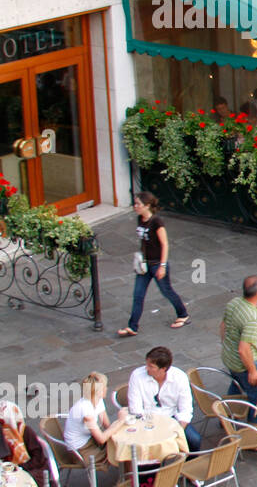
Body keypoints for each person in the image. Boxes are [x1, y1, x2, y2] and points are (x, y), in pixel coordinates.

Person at [119, 192, 190, 338]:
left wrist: (162, 266)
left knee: (167, 291)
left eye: (138, 204)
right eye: (135, 203)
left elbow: (164, 244)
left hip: (157, 264)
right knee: (138, 295)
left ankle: (183, 314)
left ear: (147, 205)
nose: (135, 206)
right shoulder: (140, 219)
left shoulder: (157, 222)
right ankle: (132, 326)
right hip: (144, 265)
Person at [127, 346, 200, 451]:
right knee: (150, 448)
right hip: (147, 419)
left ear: (163, 369)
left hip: (172, 418)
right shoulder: (137, 376)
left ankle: (186, 465)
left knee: (195, 440)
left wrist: (177, 431)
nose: (146, 368)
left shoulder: (179, 377)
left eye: (151, 366)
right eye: (146, 364)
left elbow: (186, 410)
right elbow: (135, 408)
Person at [63, 372, 127, 467]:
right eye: (104, 387)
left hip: (90, 440)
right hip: (81, 450)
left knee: (121, 446)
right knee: (121, 452)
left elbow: (107, 426)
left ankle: (127, 475)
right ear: (97, 391)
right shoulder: (86, 411)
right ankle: (125, 478)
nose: (106, 388)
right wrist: (121, 421)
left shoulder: (98, 400)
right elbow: (101, 439)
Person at [220, 276, 257, 404]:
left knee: (237, 385)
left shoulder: (233, 303)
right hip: (242, 365)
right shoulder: (252, 318)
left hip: (229, 358)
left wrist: (227, 347)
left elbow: (223, 326)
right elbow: (243, 349)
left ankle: (227, 416)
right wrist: (252, 371)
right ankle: (255, 423)